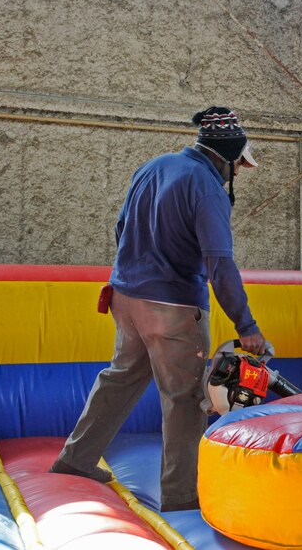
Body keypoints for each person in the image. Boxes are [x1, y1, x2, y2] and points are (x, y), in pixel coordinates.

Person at [50, 106, 268, 512]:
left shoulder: (153, 167)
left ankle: (76, 459)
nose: (238, 172)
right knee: (184, 400)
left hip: (126, 298)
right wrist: (247, 325)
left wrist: (138, 272)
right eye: (239, 164)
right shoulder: (207, 188)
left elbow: (121, 228)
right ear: (226, 155)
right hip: (173, 309)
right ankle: (182, 497)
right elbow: (219, 264)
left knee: (120, 379)